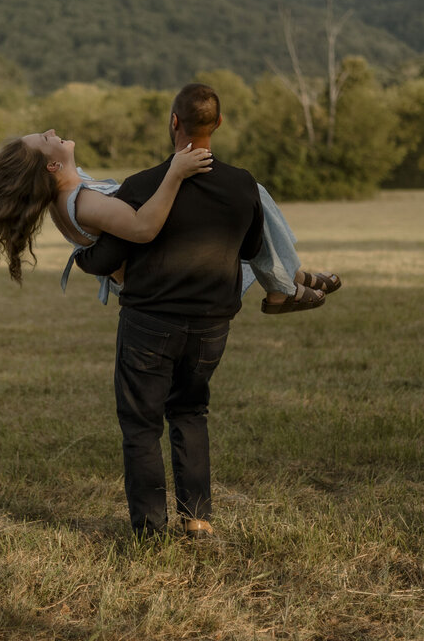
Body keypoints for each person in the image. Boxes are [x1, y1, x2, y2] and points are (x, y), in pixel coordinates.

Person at [73, 83, 316, 538]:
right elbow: (251, 249)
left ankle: (150, 530)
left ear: (174, 122)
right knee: (190, 413)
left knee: (142, 425)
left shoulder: (141, 185)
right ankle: (198, 520)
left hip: (149, 323)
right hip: (211, 326)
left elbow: (105, 259)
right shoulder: (242, 184)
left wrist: (79, 255)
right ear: (218, 123)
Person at [0, 131, 338, 312]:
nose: (52, 132)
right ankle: (281, 288)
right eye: (45, 138)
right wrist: (175, 171)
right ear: (51, 165)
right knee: (247, 192)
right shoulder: (84, 203)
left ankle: (289, 276)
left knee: (248, 194)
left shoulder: (66, 191)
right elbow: (142, 228)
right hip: (159, 272)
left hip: (156, 262)